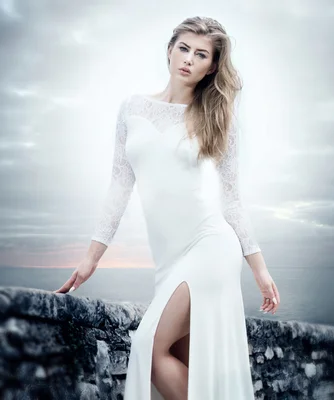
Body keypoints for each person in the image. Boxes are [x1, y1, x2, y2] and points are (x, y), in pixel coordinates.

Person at [54, 16, 280, 400]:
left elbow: (232, 200)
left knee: (149, 347)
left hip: (210, 247)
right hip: (168, 260)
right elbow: (119, 186)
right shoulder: (132, 108)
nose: (189, 59)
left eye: (201, 54)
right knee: (184, 366)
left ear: (212, 66)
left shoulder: (217, 118)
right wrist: (92, 259)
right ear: (170, 49)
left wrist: (259, 269)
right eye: (184, 48)